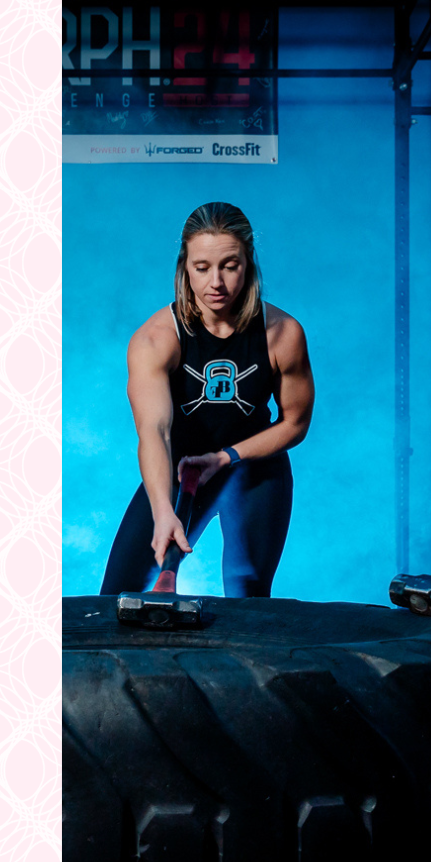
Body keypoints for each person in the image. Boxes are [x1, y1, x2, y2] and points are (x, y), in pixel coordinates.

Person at [99, 201, 314, 598]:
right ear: (185, 267)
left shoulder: (282, 333)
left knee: (249, 592)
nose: (216, 282)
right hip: (180, 466)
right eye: (202, 268)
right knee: (117, 594)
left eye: (229, 265)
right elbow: (155, 433)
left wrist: (226, 457)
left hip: (253, 464)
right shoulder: (155, 339)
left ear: (248, 263)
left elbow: (295, 423)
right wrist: (163, 509)